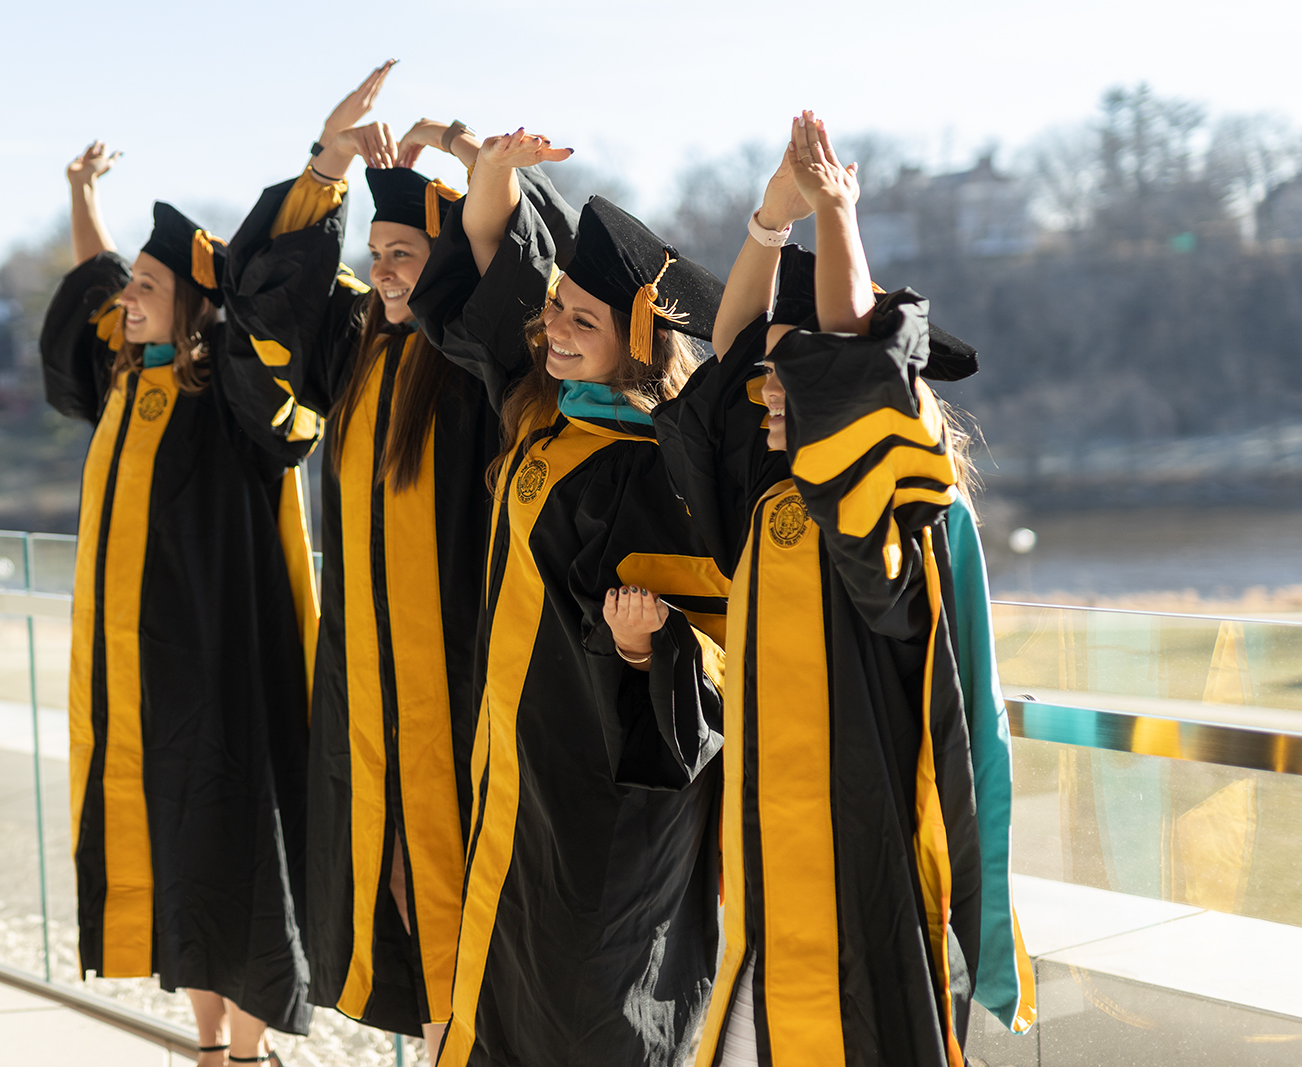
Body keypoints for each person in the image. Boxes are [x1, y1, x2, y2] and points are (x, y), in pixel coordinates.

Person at [653, 112, 1034, 1067]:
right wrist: (771, 222)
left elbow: (855, 363)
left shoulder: (893, 523)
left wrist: (839, 217)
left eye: (803, 377)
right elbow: (734, 344)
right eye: (771, 378)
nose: (772, 386)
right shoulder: (765, 498)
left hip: (857, 867)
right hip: (766, 873)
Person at [223, 65, 575, 1054]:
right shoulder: (357, 350)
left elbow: (515, 285)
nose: (382, 270)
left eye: (403, 253)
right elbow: (264, 304)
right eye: (374, 252)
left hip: (460, 688)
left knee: (468, 892)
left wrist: (486, 176)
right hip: (368, 696)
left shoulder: (478, 367)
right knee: (400, 902)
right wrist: (328, 164)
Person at [408, 129, 732, 1067]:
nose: (553, 328)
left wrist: (646, 651)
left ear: (638, 341)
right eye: (557, 308)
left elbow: (712, 647)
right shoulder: (547, 411)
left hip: (611, 793)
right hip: (526, 767)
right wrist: (495, 176)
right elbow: (477, 290)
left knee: (592, 1002)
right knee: (513, 985)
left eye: (581, 321)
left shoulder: (661, 472)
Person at [44, 142, 320, 1067]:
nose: (127, 301)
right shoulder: (125, 381)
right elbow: (98, 274)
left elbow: (271, 316)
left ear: (195, 306)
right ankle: (208, 1048)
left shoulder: (233, 401)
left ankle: (248, 1053)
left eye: (148, 289)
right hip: (142, 685)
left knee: (242, 853)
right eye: (132, 292)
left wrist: (319, 170)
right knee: (179, 862)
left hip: (227, 680)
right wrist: (82, 195)